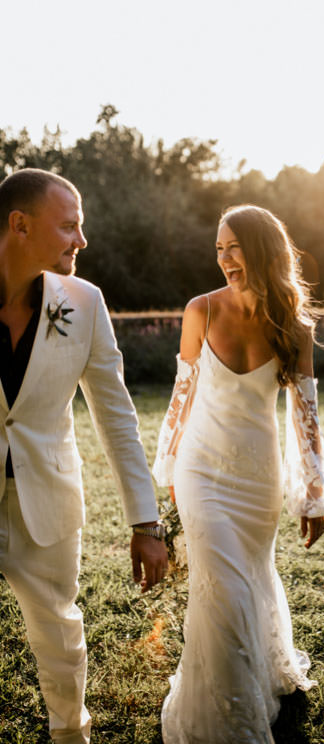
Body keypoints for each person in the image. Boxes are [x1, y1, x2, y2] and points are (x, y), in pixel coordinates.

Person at [153, 204, 324, 742]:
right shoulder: (200, 311)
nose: (224, 259)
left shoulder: (295, 325)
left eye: (233, 247)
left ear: (261, 249)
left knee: (249, 580)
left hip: (258, 480)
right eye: (218, 249)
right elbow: (181, 398)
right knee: (224, 592)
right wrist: (167, 468)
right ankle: (232, 725)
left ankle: (256, 679)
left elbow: (306, 416)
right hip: (201, 471)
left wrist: (312, 495)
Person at [0, 168, 168, 743]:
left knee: (61, 638)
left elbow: (116, 416)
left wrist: (146, 521)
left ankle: (71, 734)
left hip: (44, 500)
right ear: (20, 225)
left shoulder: (85, 303)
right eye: (69, 225)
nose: (82, 240)